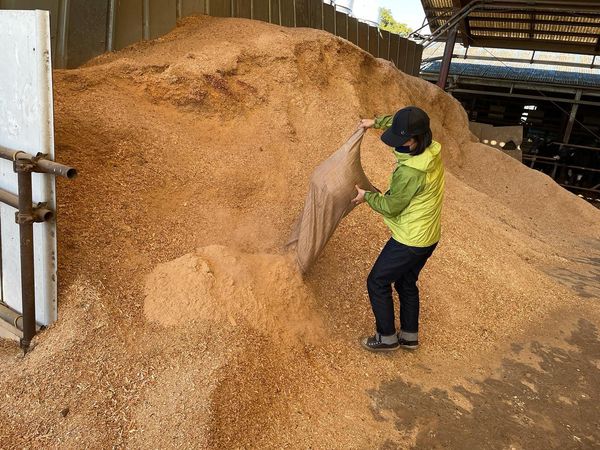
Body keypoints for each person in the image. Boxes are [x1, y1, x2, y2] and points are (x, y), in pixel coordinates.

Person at [353, 106, 445, 352]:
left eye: (402, 139)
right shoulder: (430, 148)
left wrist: (367, 197)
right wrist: (375, 123)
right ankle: (409, 336)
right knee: (406, 283)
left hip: (410, 240)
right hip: (429, 235)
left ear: (415, 140)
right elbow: (401, 121)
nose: (397, 143)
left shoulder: (411, 171)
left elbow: (392, 207)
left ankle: (386, 338)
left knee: (377, 281)